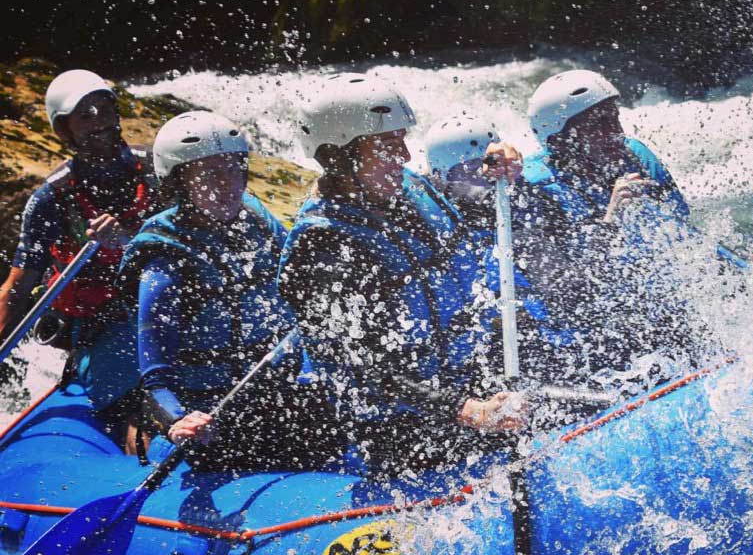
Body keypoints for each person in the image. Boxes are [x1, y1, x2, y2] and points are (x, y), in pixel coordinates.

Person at [277, 75, 527, 475]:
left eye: (402, 140)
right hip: (400, 427)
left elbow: (477, 221)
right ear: (339, 156)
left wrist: (503, 173)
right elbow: (359, 363)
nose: (406, 157)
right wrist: (465, 410)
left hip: (466, 382)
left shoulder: (410, 190)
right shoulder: (322, 248)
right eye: (387, 146)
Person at [119, 111, 332, 470]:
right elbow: (155, 381)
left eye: (233, 169)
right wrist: (177, 422)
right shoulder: (164, 265)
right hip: (214, 417)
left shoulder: (258, 222)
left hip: (281, 396)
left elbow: (304, 294)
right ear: (178, 184)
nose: (226, 184)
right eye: (208, 173)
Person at [522, 69, 706, 374]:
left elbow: (685, 240)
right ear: (561, 140)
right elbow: (567, 295)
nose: (616, 133)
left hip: (648, 306)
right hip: (583, 334)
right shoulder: (535, 192)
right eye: (599, 125)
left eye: (614, 118)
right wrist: (610, 219)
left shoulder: (636, 157)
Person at [0, 70, 156, 413]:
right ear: (63, 130)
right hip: (95, 329)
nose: (100, 121)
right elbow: (17, 288)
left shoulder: (158, 172)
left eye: (106, 110)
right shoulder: (52, 199)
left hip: (161, 314)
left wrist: (130, 239)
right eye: (85, 116)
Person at [424, 112, 587, 385]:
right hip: (494, 358)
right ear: (441, 179)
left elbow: (567, 256)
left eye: (485, 167)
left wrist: (516, 177)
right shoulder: (440, 223)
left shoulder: (526, 201)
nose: (483, 180)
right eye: (467, 172)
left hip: (552, 340)